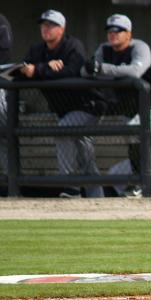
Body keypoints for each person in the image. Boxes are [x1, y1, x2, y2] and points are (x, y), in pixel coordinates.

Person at [19, 10, 104, 198]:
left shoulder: (73, 45)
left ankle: (71, 187)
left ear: (62, 29)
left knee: (62, 131)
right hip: (64, 109)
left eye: (51, 25)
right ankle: (98, 201)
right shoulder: (37, 50)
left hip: (88, 106)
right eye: (43, 25)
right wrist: (45, 67)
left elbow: (72, 71)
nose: (46, 29)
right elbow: (21, 71)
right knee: (85, 156)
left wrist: (40, 69)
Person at [83, 14, 151, 196]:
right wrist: (93, 68)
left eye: (118, 31)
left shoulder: (139, 47)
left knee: (135, 132)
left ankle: (141, 182)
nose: (113, 34)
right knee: (133, 136)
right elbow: (87, 70)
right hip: (127, 108)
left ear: (128, 34)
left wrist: (103, 69)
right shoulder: (104, 49)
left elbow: (135, 71)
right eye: (110, 31)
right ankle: (144, 182)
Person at [0, 13, 13, 179]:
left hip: (0, 83)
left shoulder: (1, 21)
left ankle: (11, 179)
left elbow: (5, 54)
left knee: (3, 133)